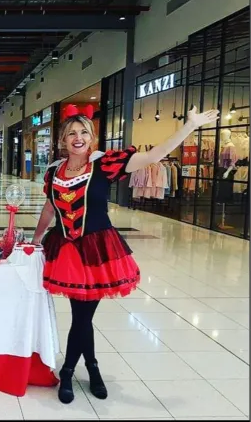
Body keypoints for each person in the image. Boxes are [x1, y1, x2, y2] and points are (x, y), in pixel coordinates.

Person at [32, 104, 218, 404]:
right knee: (81, 316)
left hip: (97, 251)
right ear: (62, 140)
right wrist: (36, 238)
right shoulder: (55, 171)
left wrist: (189, 126)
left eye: (83, 133)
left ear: (91, 137)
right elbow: (50, 207)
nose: (78, 138)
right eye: (71, 133)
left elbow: (154, 156)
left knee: (82, 317)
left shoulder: (105, 164)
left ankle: (67, 372)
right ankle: (92, 368)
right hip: (65, 250)